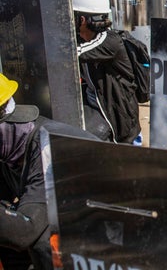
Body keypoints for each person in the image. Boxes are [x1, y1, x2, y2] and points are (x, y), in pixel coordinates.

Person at [0, 73, 96, 270]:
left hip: (107, 229)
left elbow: (25, 230)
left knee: (42, 242)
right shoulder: (11, 146)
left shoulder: (48, 146)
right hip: (74, 217)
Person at [72, 0, 140, 143]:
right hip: (101, 109)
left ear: (81, 19)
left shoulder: (109, 41)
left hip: (118, 115)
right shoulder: (86, 39)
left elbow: (71, 53)